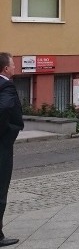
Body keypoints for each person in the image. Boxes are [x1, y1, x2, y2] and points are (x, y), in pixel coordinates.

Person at [0, 52, 23, 247]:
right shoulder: (6, 85)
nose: (15, 68)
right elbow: (5, 108)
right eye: (13, 65)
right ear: (5, 69)